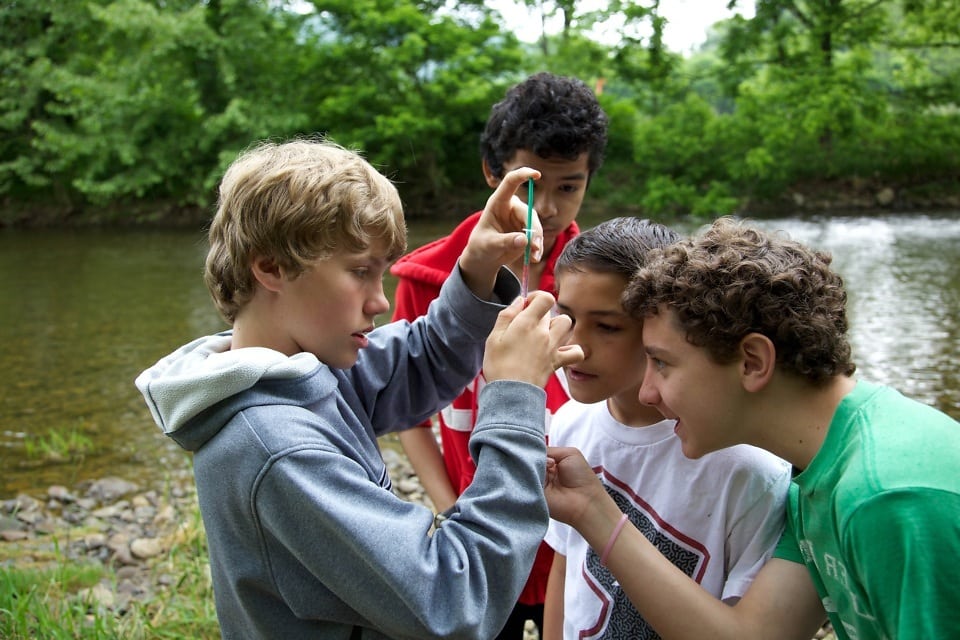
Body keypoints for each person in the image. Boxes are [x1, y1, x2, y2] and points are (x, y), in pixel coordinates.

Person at [134, 138, 586, 640]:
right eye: (359, 272)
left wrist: (476, 273)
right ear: (271, 268)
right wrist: (516, 397)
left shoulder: (301, 365)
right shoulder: (280, 451)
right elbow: (457, 597)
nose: (379, 302)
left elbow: (421, 360)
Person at [544, 216, 960, 640]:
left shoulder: (892, 497)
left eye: (663, 363)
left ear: (753, 362)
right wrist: (592, 514)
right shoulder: (814, 481)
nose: (648, 393)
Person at [389, 71, 609, 638]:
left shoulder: (601, 286)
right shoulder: (427, 280)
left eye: (570, 186)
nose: (553, 208)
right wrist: (444, 502)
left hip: (571, 532)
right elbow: (407, 404)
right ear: (494, 173)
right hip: (478, 522)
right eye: (536, 185)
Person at [541, 217, 792, 640]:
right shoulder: (569, 421)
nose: (573, 346)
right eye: (564, 316)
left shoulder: (746, 467)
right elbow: (567, 565)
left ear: (660, 328)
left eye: (607, 326)